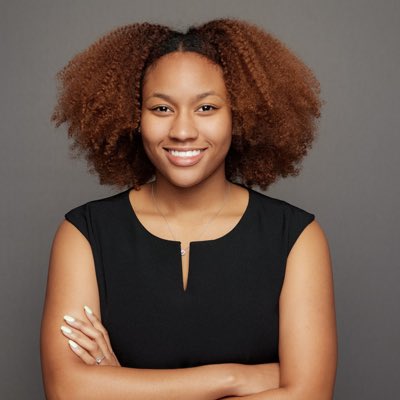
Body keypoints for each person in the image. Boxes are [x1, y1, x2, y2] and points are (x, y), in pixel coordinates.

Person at [40, 18, 337, 399]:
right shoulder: (85, 233)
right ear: (134, 117)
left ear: (241, 115)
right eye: (162, 108)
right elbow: (67, 392)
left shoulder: (295, 238)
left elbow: (309, 396)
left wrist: (124, 387)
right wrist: (234, 379)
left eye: (207, 107)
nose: (183, 130)